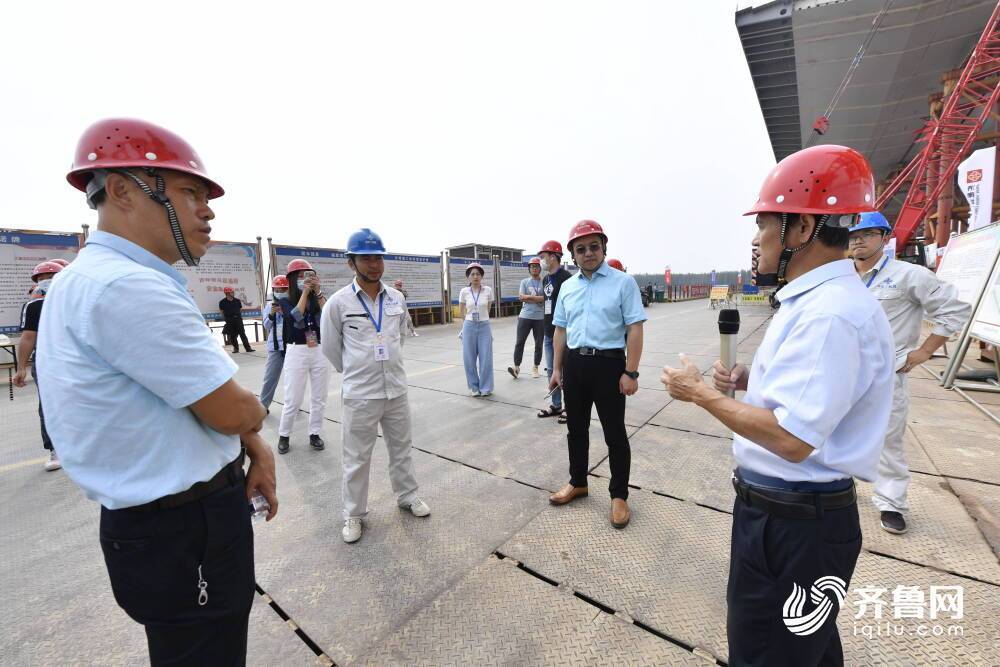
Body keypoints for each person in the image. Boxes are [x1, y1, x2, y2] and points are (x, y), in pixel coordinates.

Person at [37, 118, 277, 666]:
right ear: (121, 189)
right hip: (183, 530)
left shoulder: (99, 279)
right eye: (190, 192)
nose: (208, 209)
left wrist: (254, 448)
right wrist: (254, 416)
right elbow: (231, 408)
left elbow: (199, 408)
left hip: (167, 524)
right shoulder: (127, 287)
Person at [660, 144, 894, 665]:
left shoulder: (829, 313)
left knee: (765, 654)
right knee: (805, 651)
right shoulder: (814, 300)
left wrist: (699, 393)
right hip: (790, 519)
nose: (755, 239)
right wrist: (749, 380)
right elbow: (811, 397)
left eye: (765, 225)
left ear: (803, 228)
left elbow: (792, 438)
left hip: (794, 529)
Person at [849, 211, 970, 535]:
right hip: (844, 371)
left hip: (885, 374)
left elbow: (956, 310)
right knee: (835, 430)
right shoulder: (842, 277)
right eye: (853, 234)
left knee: (888, 439)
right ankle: (838, 483)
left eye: (867, 233)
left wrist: (926, 351)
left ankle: (891, 503)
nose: (858, 240)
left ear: (885, 237)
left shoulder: (907, 276)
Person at [321, 228, 430, 543]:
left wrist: (388, 363)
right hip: (361, 394)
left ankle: (407, 496)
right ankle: (353, 515)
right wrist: (354, 370)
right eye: (366, 258)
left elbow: (401, 336)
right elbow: (331, 347)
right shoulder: (338, 304)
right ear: (351, 262)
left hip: (395, 389)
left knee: (401, 449)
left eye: (378, 257)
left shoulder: (396, 298)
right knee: (356, 457)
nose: (374, 264)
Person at [548, 220, 646, 529]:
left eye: (594, 247)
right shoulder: (567, 287)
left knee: (614, 433)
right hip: (576, 365)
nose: (588, 253)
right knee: (575, 429)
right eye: (581, 249)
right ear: (572, 255)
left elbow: (635, 328)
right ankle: (578, 482)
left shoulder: (623, 283)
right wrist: (556, 368)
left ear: (604, 247)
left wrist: (631, 371)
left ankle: (619, 495)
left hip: (609, 366)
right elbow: (560, 330)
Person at [13, 260, 64, 471]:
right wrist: (21, 367)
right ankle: (55, 449)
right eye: (41, 279)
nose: (45, 282)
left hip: (78, 360)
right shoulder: (34, 306)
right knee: (49, 405)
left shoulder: (72, 300)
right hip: (46, 361)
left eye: (50, 278)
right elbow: (28, 338)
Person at [276, 258, 329, 454]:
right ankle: (284, 435)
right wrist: (305, 293)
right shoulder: (283, 299)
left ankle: (314, 433)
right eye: (299, 275)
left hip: (318, 349)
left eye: (307, 275)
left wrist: (317, 291)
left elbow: (330, 314)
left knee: (319, 396)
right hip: (297, 350)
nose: (304, 279)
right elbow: (295, 316)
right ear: (291, 279)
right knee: (293, 398)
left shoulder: (317, 297)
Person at [537, 241, 572, 422]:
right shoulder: (545, 279)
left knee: (565, 369)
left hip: (564, 332)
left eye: (543, 257)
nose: (541, 261)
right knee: (551, 369)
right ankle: (556, 404)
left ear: (553, 256)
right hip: (548, 331)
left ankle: (569, 407)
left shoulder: (567, 278)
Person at [458, 262, 495, 396]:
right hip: (469, 326)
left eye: (478, 274)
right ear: (468, 277)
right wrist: (466, 324)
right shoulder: (464, 292)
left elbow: (488, 308)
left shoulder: (488, 290)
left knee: (486, 357)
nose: (475, 277)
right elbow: (462, 312)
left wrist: (482, 318)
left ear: (482, 276)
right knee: (469, 358)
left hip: (484, 325)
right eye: (472, 274)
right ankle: (474, 387)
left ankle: (485, 387)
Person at [507, 257, 545, 379]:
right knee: (519, 342)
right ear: (529, 269)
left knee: (538, 343)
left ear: (540, 268)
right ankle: (516, 367)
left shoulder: (544, 282)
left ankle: (535, 367)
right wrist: (537, 299)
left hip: (540, 318)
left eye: (537, 266)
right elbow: (521, 297)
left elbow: (545, 298)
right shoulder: (524, 282)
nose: (534, 268)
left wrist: (530, 298)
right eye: (532, 267)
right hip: (525, 316)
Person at [259, 275, 289, 414]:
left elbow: (297, 322)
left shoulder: (292, 303)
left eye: (283, 289)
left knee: (293, 379)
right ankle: (263, 406)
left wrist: (284, 312)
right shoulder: (269, 305)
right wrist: (271, 314)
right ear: (273, 289)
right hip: (275, 348)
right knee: (270, 378)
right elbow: (266, 325)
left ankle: (292, 405)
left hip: (291, 346)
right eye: (278, 289)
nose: (281, 292)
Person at [219, 287, 254, 354]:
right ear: (227, 293)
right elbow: (221, 312)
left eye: (233, 292)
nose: (233, 293)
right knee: (233, 335)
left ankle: (248, 348)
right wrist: (226, 320)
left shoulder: (237, 301)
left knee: (242, 334)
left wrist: (238, 316)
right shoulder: (222, 302)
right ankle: (236, 348)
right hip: (229, 320)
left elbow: (240, 309)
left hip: (238, 319)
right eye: (232, 292)